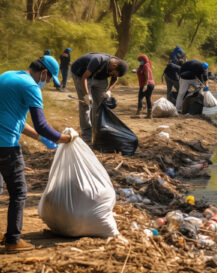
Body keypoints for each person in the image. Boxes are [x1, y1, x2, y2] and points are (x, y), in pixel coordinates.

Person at [0, 55, 74, 252]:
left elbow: (15, 119)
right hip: (6, 146)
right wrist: (63, 138)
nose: (47, 83)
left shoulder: (6, 77)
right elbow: (41, 124)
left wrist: (40, 139)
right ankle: (13, 240)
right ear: (43, 73)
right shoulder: (31, 87)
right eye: (49, 79)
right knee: (19, 192)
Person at [71, 53, 129, 143]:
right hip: (81, 74)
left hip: (100, 78)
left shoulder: (117, 64)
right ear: (114, 65)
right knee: (85, 105)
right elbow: (84, 78)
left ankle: (97, 131)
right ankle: (87, 135)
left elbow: (115, 79)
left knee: (100, 104)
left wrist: (109, 90)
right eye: (112, 73)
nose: (112, 75)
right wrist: (87, 95)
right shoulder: (98, 60)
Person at [136, 54, 155, 118]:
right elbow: (142, 72)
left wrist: (145, 85)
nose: (140, 62)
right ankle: (149, 114)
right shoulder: (146, 65)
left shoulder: (145, 66)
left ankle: (139, 112)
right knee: (148, 98)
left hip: (147, 84)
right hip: (150, 84)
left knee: (140, 97)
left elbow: (147, 76)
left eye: (140, 60)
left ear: (143, 60)